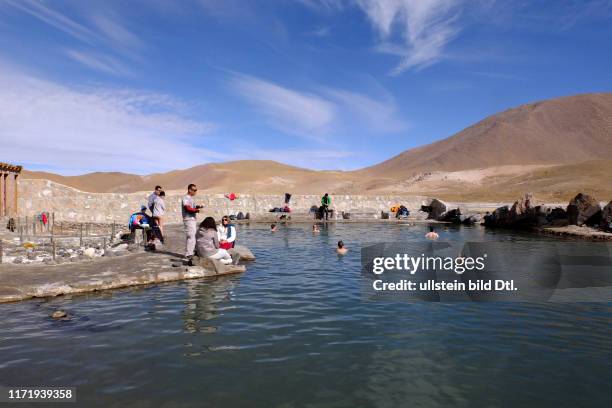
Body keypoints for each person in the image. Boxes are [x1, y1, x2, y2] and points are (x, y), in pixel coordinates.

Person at [182, 184, 202, 259]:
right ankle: (189, 254)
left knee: (191, 236)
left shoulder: (190, 198)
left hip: (192, 219)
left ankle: (190, 252)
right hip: (188, 219)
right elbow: (187, 208)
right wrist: (196, 210)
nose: (195, 192)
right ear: (189, 190)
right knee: (191, 236)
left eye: (196, 190)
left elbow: (191, 207)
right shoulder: (186, 198)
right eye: (194, 190)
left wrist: (197, 207)